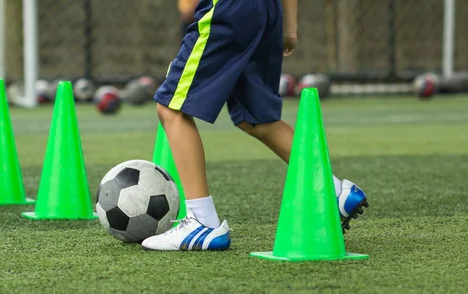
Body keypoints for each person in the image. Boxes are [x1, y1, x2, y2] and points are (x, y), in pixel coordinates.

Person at [143, 0, 368, 251]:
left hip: (229, 8)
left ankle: (201, 221)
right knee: (257, 119)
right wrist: (289, 27)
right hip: (268, 11)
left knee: (171, 108)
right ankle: (333, 191)